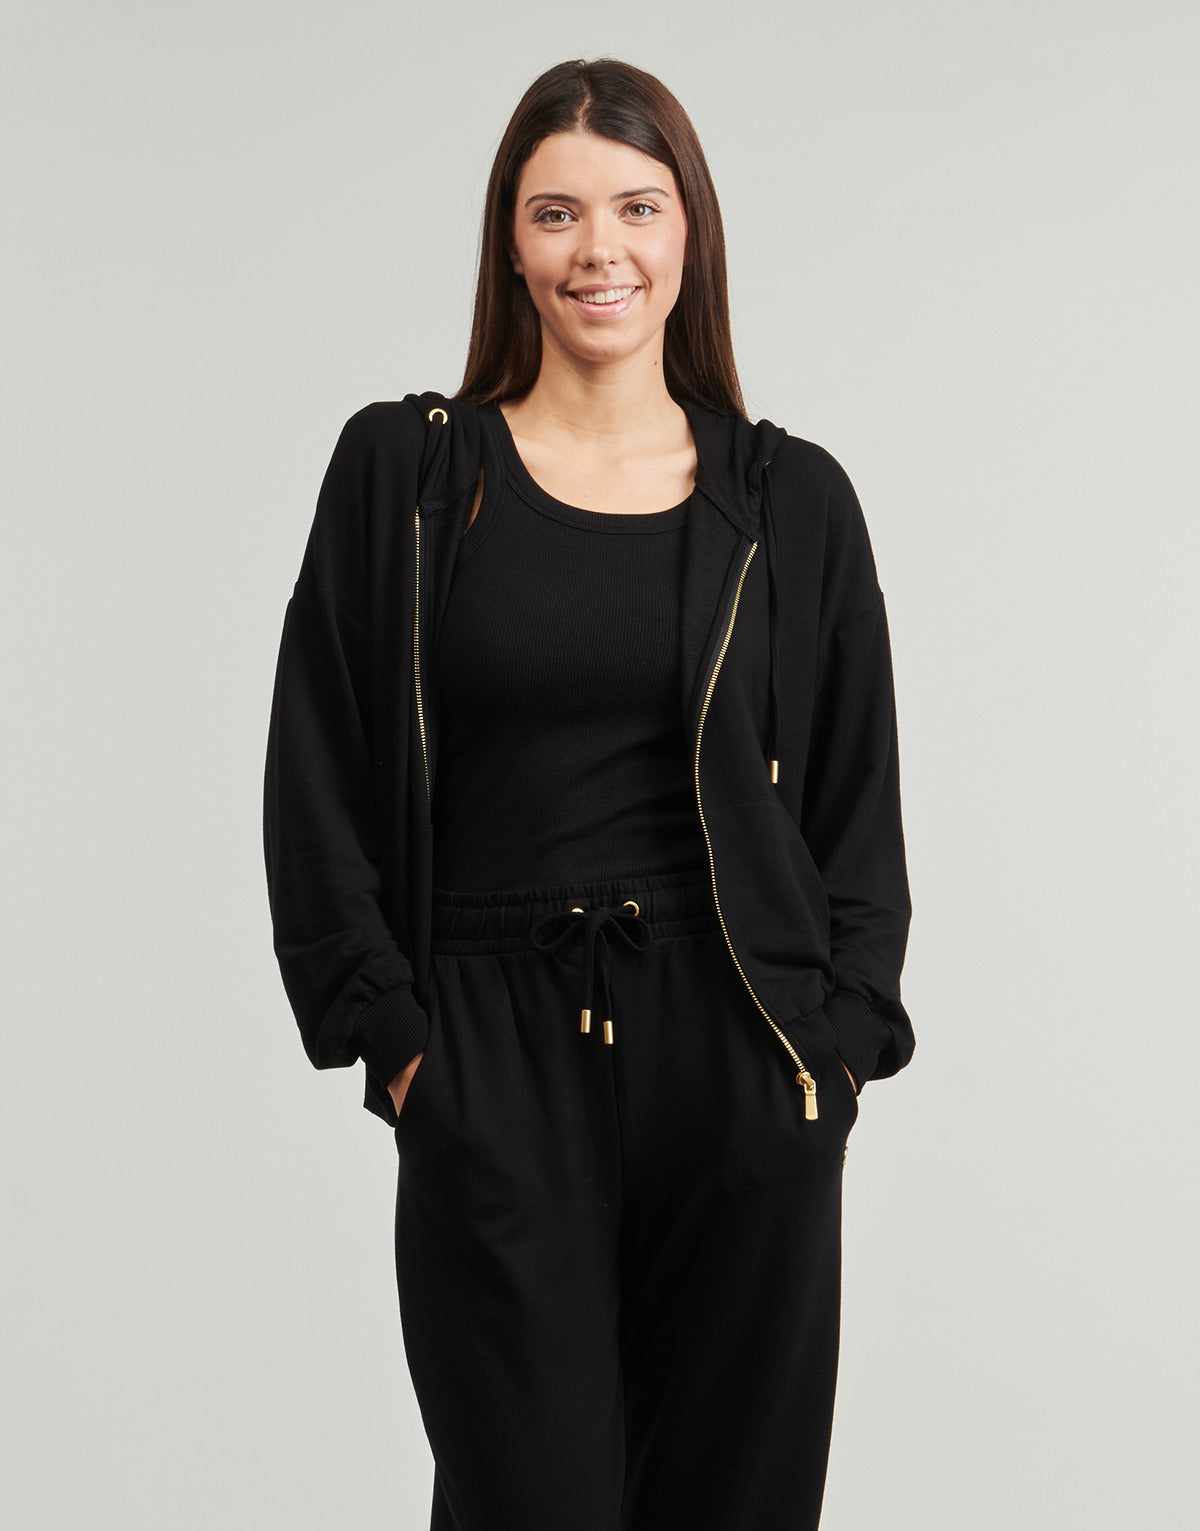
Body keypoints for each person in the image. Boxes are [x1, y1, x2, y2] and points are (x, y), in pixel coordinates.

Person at [263, 55, 914, 1531]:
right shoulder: (409, 475)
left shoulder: (789, 498)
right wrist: (398, 1040)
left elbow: (855, 807)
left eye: (636, 206)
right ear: (510, 241)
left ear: (690, 233)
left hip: (737, 1035)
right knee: (528, 1500)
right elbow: (316, 775)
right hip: (490, 1038)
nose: (597, 250)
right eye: (556, 213)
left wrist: (835, 1055)